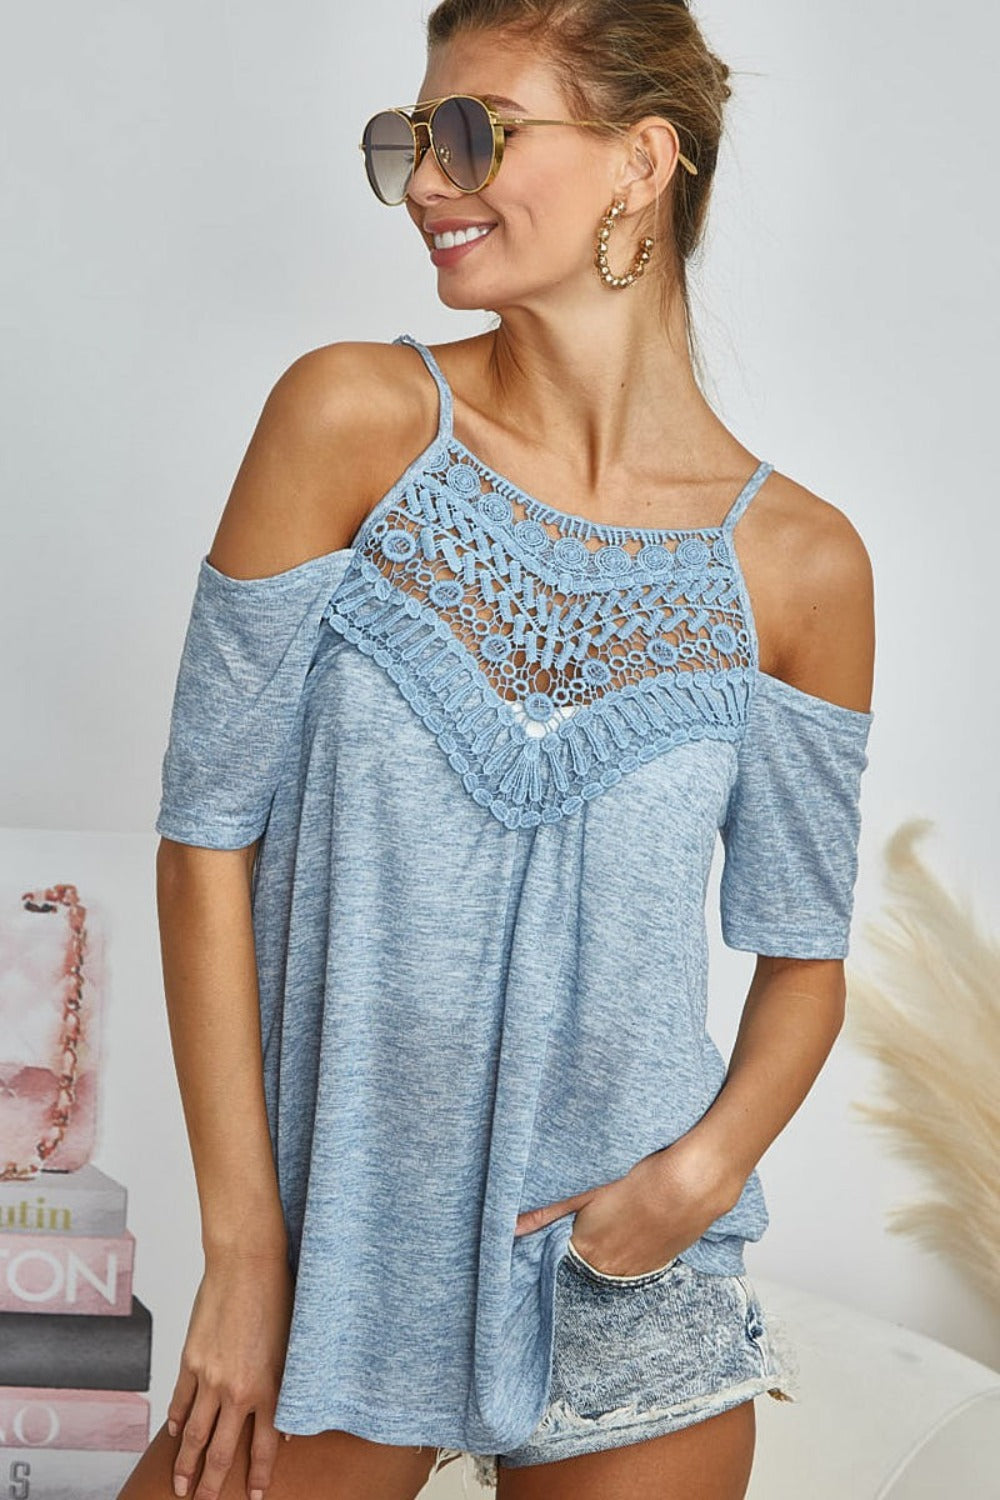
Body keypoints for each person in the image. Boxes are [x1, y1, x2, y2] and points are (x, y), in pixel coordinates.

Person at [120, 1, 876, 1497]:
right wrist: (246, 1251)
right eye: (409, 138)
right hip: (341, 1260)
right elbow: (205, 840)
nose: (424, 180)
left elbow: (805, 958)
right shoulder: (353, 421)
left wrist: (695, 1178)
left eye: (474, 134)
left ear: (640, 164)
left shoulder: (800, 568)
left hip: (621, 1275)